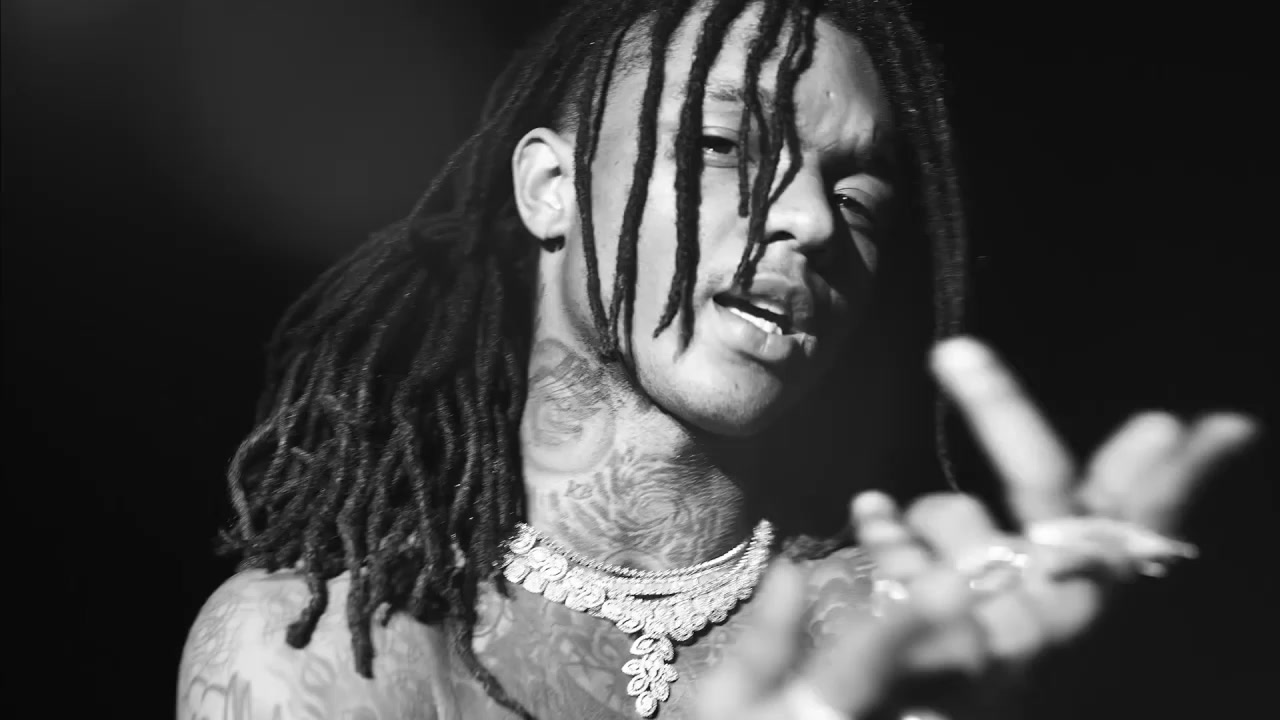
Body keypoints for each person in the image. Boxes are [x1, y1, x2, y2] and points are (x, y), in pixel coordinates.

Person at [176, 0, 1257, 718]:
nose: (810, 220)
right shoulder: (330, 645)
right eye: (724, 146)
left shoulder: (917, 628)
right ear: (549, 189)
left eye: (856, 191)